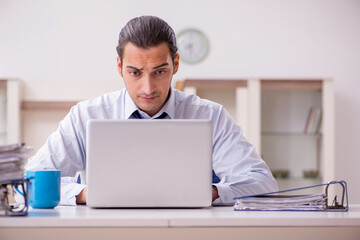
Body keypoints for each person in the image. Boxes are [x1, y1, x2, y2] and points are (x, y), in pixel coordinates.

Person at [24, 16, 278, 206]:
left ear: (175, 64)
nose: (148, 88)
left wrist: (208, 192)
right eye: (135, 73)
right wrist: (86, 193)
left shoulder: (211, 116)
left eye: (159, 71)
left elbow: (262, 182)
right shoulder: (86, 115)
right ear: (119, 67)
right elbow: (30, 181)